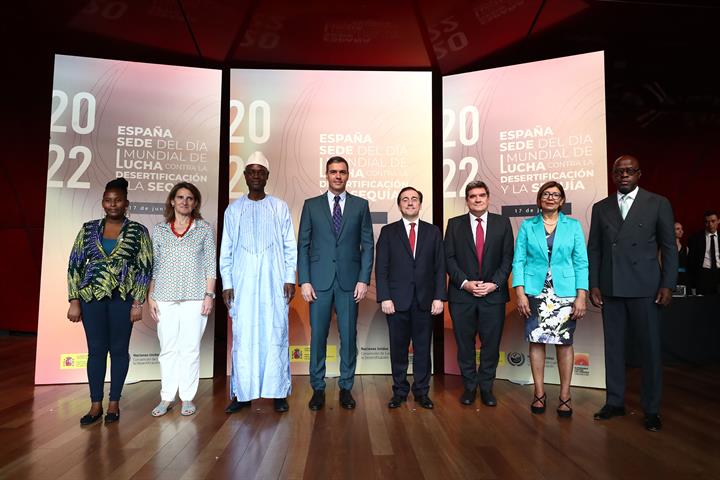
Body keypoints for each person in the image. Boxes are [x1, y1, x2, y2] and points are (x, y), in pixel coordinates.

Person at [588, 154, 677, 432]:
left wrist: (668, 284)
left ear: (639, 174)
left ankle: (651, 409)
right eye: (619, 172)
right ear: (613, 176)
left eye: (629, 171)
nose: (624, 175)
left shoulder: (658, 203)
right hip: (611, 286)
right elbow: (595, 249)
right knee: (614, 348)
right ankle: (615, 401)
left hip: (646, 288)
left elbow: (669, 248)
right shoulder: (601, 207)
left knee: (649, 350)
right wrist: (594, 284)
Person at [67, 177, 153, 425]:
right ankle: (95, 405)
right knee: (95, 351)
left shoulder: (138, 231)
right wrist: (74, 300)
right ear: (103, 203)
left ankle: (114, 402)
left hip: (122, 299)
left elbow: (145, 268)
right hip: (91, 298)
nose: (112, 204)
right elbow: (74, 265)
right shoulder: (88, 228)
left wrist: (138, 303)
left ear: (126, 203)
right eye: (108, 200)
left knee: (118, 350)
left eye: (117, 200)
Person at [220, 152, 297, 414]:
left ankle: (277, 392)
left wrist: (290, 277)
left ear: (267, 176)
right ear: (244, 177)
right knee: (244, 336)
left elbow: (289, 246)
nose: (255, 176)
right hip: (243, 283)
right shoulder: (234, 209)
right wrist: (227, 282)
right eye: (251, 172)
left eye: (260, 172)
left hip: (274, 281)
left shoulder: (279, 207)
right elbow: (226, 249)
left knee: (275, 332)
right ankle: (243, 394)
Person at [298, 156, 374, 410]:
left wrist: (364, 279)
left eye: (342, 172)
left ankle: (346, 388)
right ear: (327, 175)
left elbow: (368, 246)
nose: (338, 176)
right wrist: (304, 281)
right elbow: (304, 246)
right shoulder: (311, 205)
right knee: (318, 336)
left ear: (348, 175)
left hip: (349, 283)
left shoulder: (361, 205)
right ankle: (317, 388)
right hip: (318, 283)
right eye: (333, 172)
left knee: (349, 337)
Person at [512, 181, 588, 417]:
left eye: (556, 195)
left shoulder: (573, 226)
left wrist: (581, 296)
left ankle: (565, 395)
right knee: (537, 341)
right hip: (535, 293)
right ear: (539, 199)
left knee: (565, 343)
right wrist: (520, 293)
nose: (551, 198)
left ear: (562, 201)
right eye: (546, 194)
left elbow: (581, 262)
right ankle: (539, 393)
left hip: (565, 293)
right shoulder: (527, 226)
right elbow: (519, 261)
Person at [147, 182, 216, 417]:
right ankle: (167, 397)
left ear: (195, 203)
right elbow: (154, 266)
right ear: (172, 201)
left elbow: (210, 266)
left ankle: (187, 397)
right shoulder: (159, 230)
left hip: (195, 297)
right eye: (180, 197)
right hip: (164, 297)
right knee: (168, 349)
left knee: (189, 349)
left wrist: (209, 295)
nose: (184, 202)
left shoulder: (204, 229)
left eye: (189, 198)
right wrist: (151, 296)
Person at [375, 187, 446, 410]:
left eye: (414, 199)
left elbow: (439, 266)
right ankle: (399, 391)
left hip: (425, 301)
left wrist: (439, 297)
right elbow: (382, 268)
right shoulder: (388, 232)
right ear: (399, 205)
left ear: (420, 204)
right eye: (405, 200)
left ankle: (422, 392)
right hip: (396, 302)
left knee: (423, 349)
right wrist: (384, 297)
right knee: (398, 349)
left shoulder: (433, 232)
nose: (410, 203)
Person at [444, 180, 514, 407]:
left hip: (493, 296)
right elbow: (449, 258)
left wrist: (494, 283)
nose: (477, 199)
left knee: (490, 345)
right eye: (472, 196)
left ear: (488, 198)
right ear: (467, 200)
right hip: (461, 296)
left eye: (481, 195)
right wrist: (464, 283)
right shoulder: (454, 224)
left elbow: (507, 258)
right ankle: (469, 387)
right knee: (464, 345)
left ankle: (486, 387)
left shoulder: (502, 223)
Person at [688, 210, 720, 294]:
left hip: (719, 272)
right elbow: (691, 262)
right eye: (707, 222)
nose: (710, 225)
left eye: (713, 221)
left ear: (718, 221)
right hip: (703, 275)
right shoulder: (695, 238)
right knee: (704, 304)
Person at [674, 222, 689, 286]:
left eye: (681, 229)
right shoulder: (665, 247)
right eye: (677, 229)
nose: (681, 231)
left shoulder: (686, 248)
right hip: (670, 278)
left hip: (683, 278)